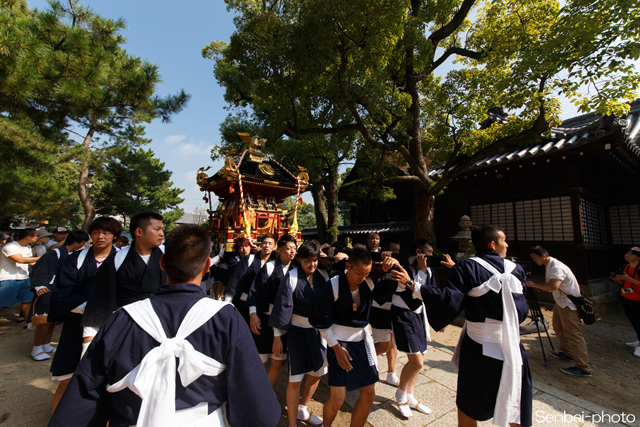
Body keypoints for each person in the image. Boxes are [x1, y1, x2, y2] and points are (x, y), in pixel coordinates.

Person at [48, 223, 281, 427]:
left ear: (161, 263)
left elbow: (84, 395)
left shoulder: (122, 318)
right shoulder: (226, 319)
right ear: (208, 264)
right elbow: (260, 410)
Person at [407, 225, 532, 427]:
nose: (507, 244)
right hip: (513, 345)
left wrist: (414, 286)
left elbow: (448, 301)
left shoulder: (466, 268)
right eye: (504, 240)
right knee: (516, 403)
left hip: (479, 346)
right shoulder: (516, 270)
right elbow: (522, 311)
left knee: (469, 404)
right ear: (493, 244)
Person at [313, 247, 399, 427]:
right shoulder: (333, 285)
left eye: (367, 273)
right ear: (348, 266)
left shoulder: (369, 283)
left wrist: (393, 266)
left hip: (362, 341)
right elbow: (321, 320)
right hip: (337, 341)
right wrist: (336, 348)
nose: (362, 277)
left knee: (369, 394)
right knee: (338, 398)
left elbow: (396, 283)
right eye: (359, 272)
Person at [47, 217, 121, 413]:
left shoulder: (124, 260)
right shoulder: (75, 259)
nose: (100, 236)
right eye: (96, 232)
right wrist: (94, 308)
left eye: (106, 232)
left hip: (113, 326)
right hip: (77, 324)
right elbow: (63, 292)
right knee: (67, 378)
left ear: (115, 235)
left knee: (112, 382)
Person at [81, 212, 167, 353]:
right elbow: (100, 300)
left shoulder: (169, 258)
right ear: (139, 231)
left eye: (162, 230)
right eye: (157, 229)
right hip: (126, 325)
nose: (162, 234)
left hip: (161, 326)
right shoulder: (117, 259)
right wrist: (89, 338)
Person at [269, 241, 326, 427]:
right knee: (295, 379)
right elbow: (282, 308)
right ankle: (292, 424)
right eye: (308, 260)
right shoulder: (291, 277)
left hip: (317, 333)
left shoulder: (321, 277)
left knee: (318, 371)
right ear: (300, 259)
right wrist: (277, 337)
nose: (312, 264)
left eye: (315, 260)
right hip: (297, 334)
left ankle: (303, 407)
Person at [526, 246, 592, 377]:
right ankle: (566, 352)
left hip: (568, 304)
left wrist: (533, 285)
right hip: (560, 302)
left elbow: (553, 285)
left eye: (535, 257)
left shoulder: (556, 267)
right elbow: (555, 286)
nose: (534, 261)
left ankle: (583, 367)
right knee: (558, 327)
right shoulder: (550, 265)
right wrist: (541, 288)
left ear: (543, 256)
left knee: (573, 334)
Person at [386, 238, 434, 418]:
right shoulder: (402, 268)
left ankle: (410, 396)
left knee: (419, 358)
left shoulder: (427, 270)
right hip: (404, 314)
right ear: (418, 252)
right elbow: (413, 293)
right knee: (416, 361)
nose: (430, 256)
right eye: (428, 252)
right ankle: (400, 395)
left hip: (419, 315)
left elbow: (430, 292)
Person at [28, 230, 90, 360]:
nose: (83, 245)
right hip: (47, 289)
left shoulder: (73, 255)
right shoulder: (53, 253)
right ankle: (36, 348)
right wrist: (40, 286)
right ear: (76, 241)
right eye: (83, 242)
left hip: (59, 290)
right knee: (44, 320)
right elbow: (40, 270)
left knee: (53, 319)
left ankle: (46, 344)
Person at [248, 233, 297, 386]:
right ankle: (252, 392)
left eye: (294, 249)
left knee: (277, 362)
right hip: (265, 319)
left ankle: (266, 393)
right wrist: (253, 314)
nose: (292, 252)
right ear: (280, 250)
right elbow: (254, 292)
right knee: (259, 360)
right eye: (288, 248)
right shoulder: (269, 267)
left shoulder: (297, 270)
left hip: (284, 322)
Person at [224, 233, 276, 322]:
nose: (267, 246)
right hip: (242, 303)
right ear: (260, 245)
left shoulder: (273, 265)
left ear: (274, 247)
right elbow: (235, 281)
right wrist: (227, 303)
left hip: (262, 307)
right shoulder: (248, 259)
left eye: (270, 243)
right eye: (264, 243)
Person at [370, 236, 400, 386]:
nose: (395, 253)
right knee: (383, 344)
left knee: (393, 342)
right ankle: (361, 361)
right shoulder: (374, 261)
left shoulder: (400, 265)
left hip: (393, 306)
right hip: (379, 306)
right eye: (393, 250)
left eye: (398, 251)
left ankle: (391, 373)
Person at [0, 228, 40, 322]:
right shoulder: (10, 246)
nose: (37, 237)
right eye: (36, 235)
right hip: (8, 278)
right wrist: (40, 258)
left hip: (24, 277)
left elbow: (29, 261)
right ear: (28, 237)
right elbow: (20, 259)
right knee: (1, 302)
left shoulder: (28, 247)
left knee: (27, 300)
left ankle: (28, 322)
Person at [610, 247, 640, 358]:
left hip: (638, 298)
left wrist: (629, 279)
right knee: (634, 320)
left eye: (631, 254)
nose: (627, 255)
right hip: (626, 297)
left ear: (638, 257)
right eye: (627, 253)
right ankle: (638, 341)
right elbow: (624, 282)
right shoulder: (625, 267)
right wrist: (618, 279)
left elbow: (632, 281)